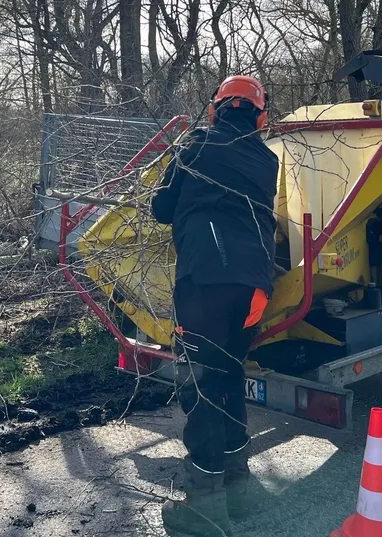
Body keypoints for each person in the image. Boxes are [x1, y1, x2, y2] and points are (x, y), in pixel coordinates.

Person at [152, 75, 279, 537]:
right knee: (228, 374)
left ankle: (206, 510)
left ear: (215, 109)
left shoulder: (196, 143)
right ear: (260, 117)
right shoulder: (268, 159)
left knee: (200, 383)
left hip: (206, 278)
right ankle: (238, 491)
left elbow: (161, 210)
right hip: (255, 288)